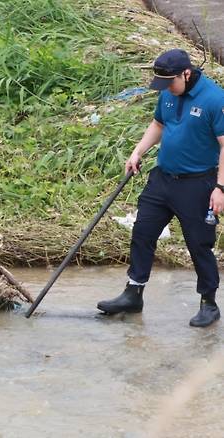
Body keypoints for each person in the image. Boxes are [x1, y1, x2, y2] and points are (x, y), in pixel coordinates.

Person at [97, 49, 224, 327]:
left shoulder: (215, 99)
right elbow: (158, 124)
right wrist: (138, 151)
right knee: (142, 232)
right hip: (162, 179)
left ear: (186, 74)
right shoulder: (168, 91)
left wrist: (220, 187)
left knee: (199, 244)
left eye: (170, 83)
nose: (166, 89)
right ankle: (133, 293)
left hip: (198, 184)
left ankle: (209, 303)